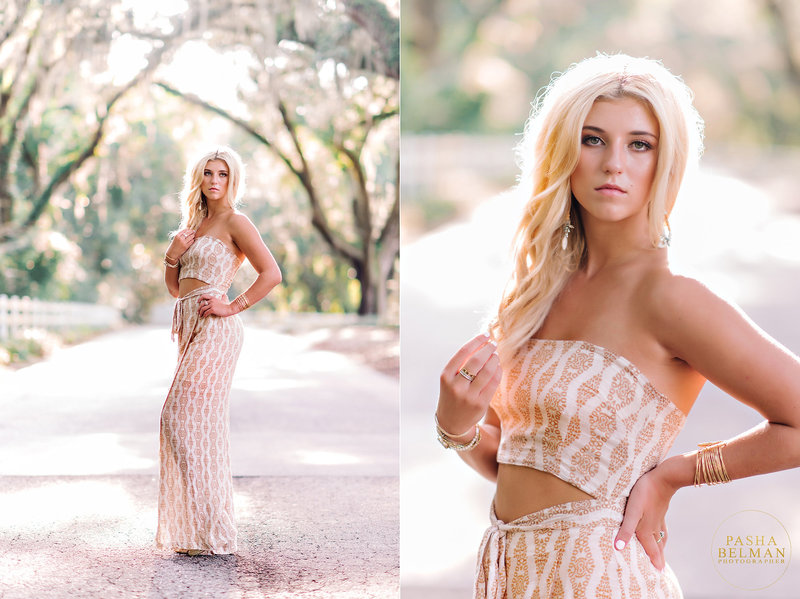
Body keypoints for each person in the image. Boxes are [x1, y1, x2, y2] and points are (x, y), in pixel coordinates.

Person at [435, 54, 800, 598]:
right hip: (510, 575)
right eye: (592, 139)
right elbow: (508, 462)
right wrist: (455, 427)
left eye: (639, 144)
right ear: (563, 152)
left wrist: (676, 474)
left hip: (602, 579)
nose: (614, 164)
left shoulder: (671, 298)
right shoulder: (535, 291)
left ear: (664, 161)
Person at [156, 146, 282, 555]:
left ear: (233, 179)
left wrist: (232, 305)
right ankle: (200, 531)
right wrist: (172, 255)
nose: (214, 180)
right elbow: (177, 289)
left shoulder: (236, 222)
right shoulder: (195, 225)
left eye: (222, 173)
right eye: (208, 172)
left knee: (177, 417)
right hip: (188, 323)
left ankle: (212, 526)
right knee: (198, 427)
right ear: (198, 178)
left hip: (217, 326)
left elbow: (272, 274)